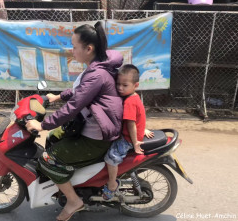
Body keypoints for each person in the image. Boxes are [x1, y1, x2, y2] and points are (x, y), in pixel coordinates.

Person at [26, 21, 123, 221]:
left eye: (74, 47)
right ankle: (70, 182)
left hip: (95, 138)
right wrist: (57, 97)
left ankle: (73, 201)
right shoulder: (96, 67)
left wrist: (42, 125)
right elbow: (80, 90)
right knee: (53, 139)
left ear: (89, 48)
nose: (72, 50)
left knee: (47, 160)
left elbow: (75, 105)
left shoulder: (97, 74)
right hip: (88, 126)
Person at [103, 64, 149, 200]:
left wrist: (135, 143)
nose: (120, 88)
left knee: (111, 158)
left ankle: (112, 184)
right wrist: (143, 128)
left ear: (135, 85)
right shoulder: (134, 96)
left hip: (128, 139)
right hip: (132, 133)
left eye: (125, 85)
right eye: (118, 84)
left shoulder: (129, 101)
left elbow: (131, 123)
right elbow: (139, 116)